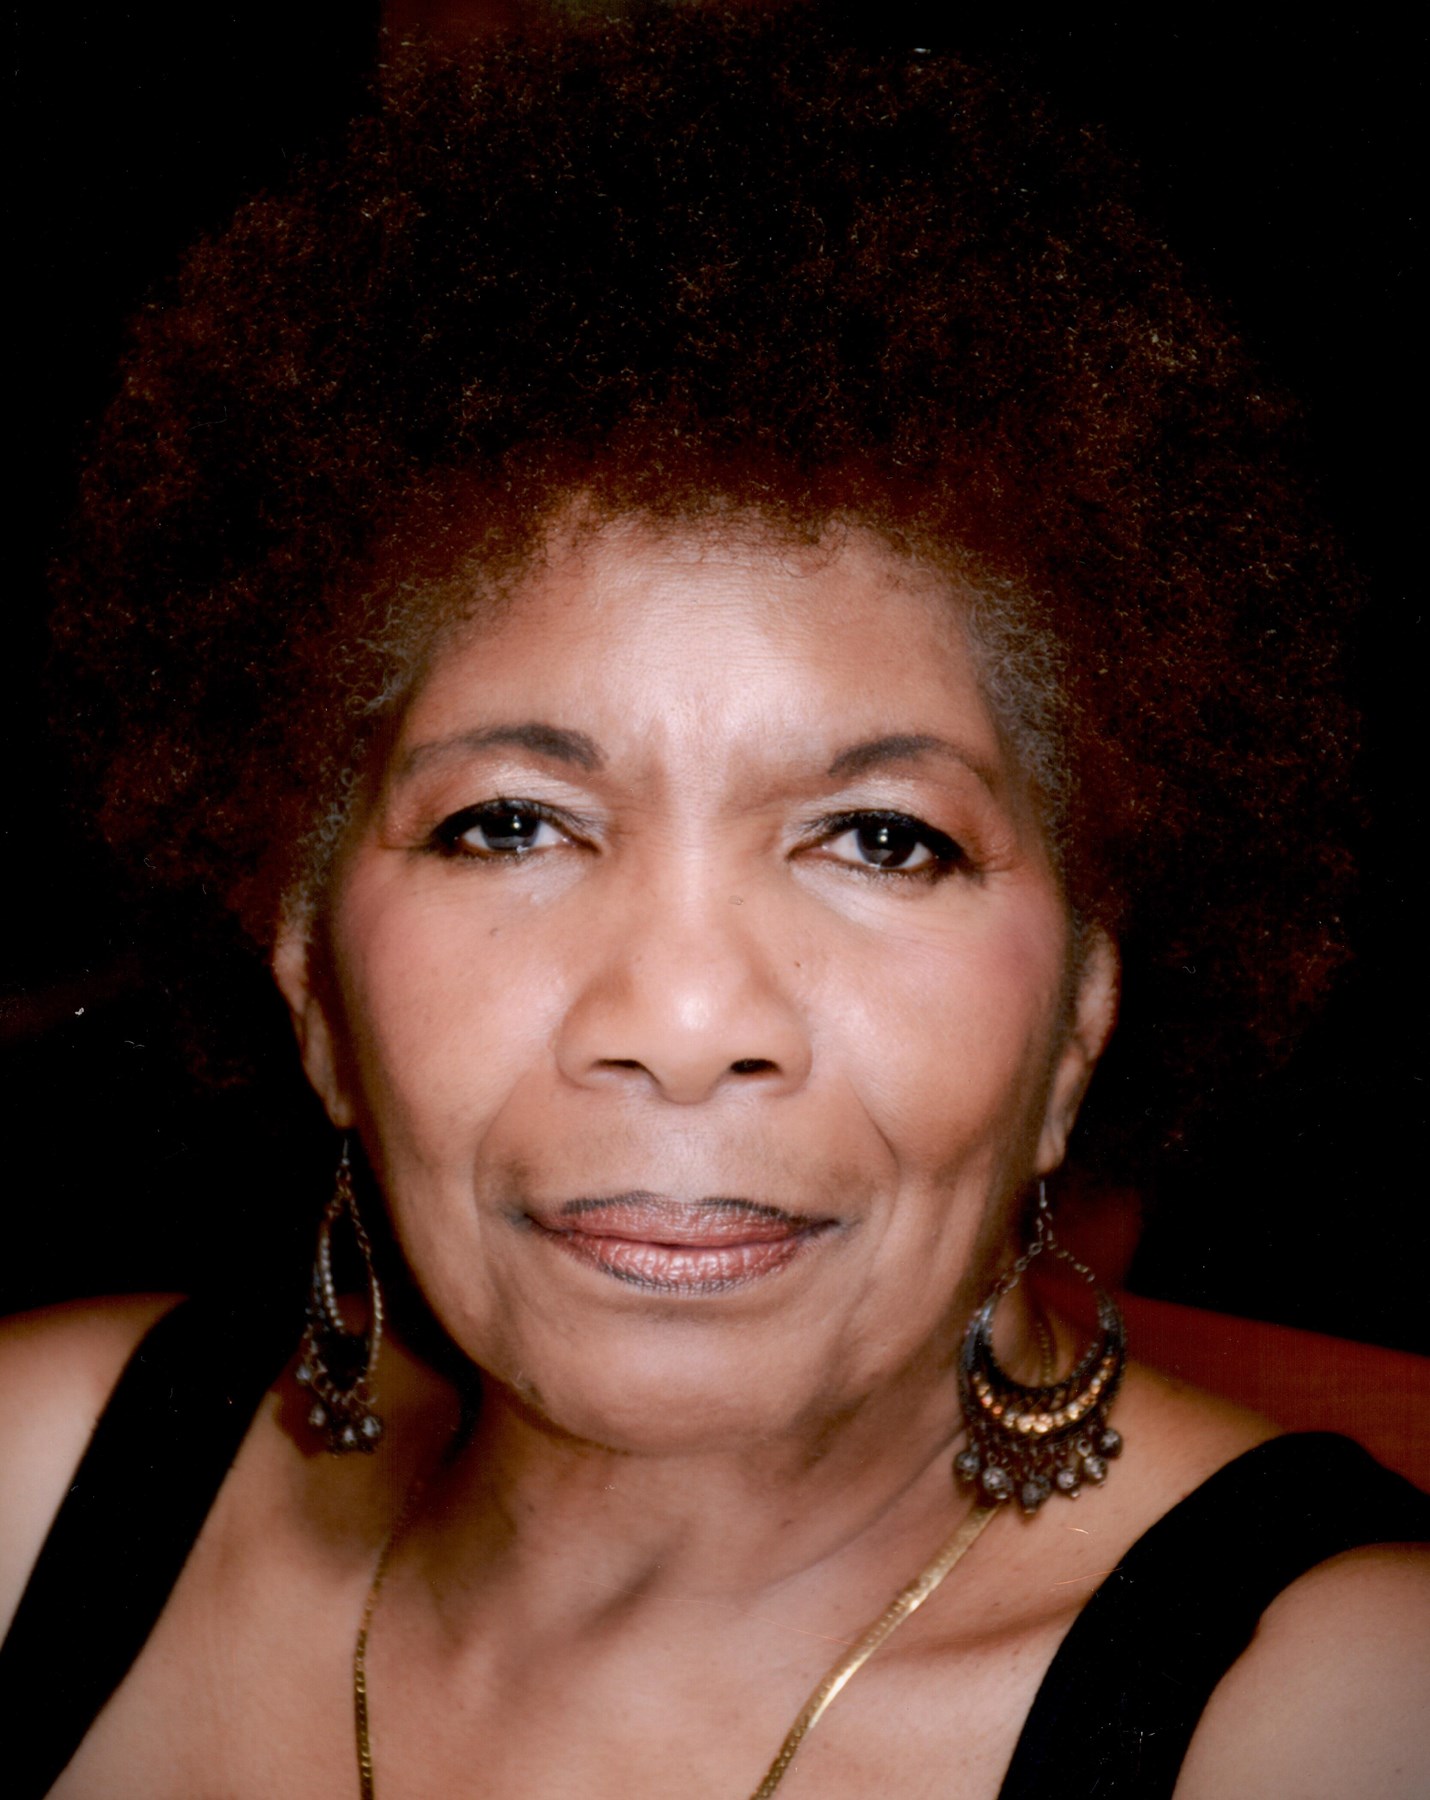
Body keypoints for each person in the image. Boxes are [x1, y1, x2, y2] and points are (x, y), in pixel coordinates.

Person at [1, 11, 1425, 1797]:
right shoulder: (30, 1489)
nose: (680, 1025)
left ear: (1080, 1018)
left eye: (881, 839)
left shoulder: (1346, 1713)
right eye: (509, 825)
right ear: (312, 986)